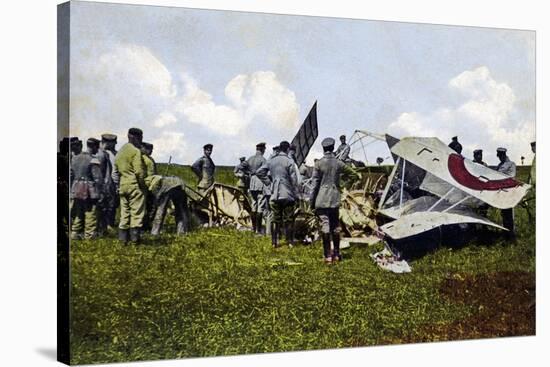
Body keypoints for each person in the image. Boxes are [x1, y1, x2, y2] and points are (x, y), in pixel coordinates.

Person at [310, 137, 360, 263]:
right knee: (335, 227)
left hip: (321, 200)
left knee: (325, 227)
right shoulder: (339, 163)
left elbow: (314, 186)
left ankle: (327, 256)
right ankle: (337, 255)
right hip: (334, 199)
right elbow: (354, 175)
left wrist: (312, 203)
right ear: (333, 148)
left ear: (323, 149)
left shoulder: (318, 164)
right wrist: (342, 185)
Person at [256, 141, 298, 247]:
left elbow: (259, 172)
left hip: (274, 193)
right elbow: (294, 180)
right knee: (289, 219)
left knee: (276, 219)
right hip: (287, 194)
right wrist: (295, 193)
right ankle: (289, 242)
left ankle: (274, 242)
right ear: (288, 149)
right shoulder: (289, 161)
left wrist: (270, 184)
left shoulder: (272, 160)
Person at [113, 128, 147, 244]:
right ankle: (134, 241)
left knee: (124, 214)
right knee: (136, 214)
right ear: (136, 138)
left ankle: (122, 240)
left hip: (123, 185)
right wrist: (143, 186)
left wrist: (118, 186)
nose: (141, 141)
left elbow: (116, 172)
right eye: (140, 138)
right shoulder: (136, 151)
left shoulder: (120, 151)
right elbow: (139, 172)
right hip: (134, 185)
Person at [70, 138, 103, 240]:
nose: (97, 150)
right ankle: (90, 235)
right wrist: (100, 192)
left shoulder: (75, 158)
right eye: (97, 148)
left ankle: (75, 233)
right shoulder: (93, 159)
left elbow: (71, 174)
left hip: (76, 189)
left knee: (79, 213)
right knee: (90, 213)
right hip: (89, 190)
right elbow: (97, 178)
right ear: (93, 147)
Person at [98, 133, 118, 230]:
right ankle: (105, 224)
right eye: (112, 143)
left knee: (112, 204)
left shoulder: (116, 153)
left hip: (114, 181)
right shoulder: (102, 154)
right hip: (107, 181)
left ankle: (110, 223)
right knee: (105, 203)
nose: (114, 144)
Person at [247, 143, 268, 234]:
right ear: (262, 149)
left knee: (253, 205)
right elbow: (266, 172)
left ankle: (253, 228)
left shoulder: (250, 159)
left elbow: (244, 169)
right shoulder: (263, 160)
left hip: (252, 183)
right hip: (260, 182)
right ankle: (258, 230)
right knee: (260, 206)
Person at [496, 147, 517, 237]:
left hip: (508, 192)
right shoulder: (499, 165)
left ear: (504, 155)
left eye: (501, 155)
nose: (500, 157)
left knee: (509, 213)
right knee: (503, 212)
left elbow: (511, 177)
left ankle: (511, 233)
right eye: (499, 156)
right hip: (501, 192)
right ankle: (506, 232)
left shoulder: (511, 164)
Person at [141, 142, 157, 232]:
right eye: (149, 149)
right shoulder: (142, 159)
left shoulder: (150, 159)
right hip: (146, 185)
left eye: (151, 150)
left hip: (152, 185)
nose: (151, 151)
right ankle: (143, 226)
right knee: (144, 206)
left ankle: (147, 224)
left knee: (151, 206)